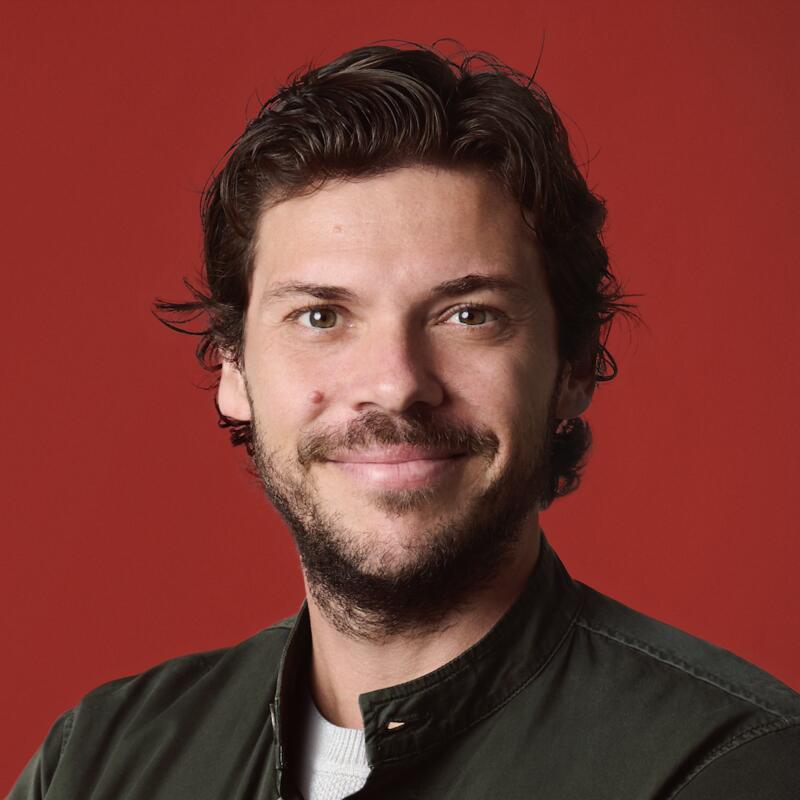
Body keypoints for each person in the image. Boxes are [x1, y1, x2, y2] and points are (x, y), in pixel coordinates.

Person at [10, 41, 799, 800]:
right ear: (234, 372)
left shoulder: (732, 769)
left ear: (573, 366)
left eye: (469, 314)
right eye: (321, 317)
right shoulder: (96, 762)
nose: (395, 385)